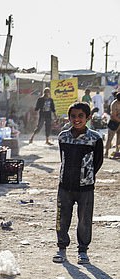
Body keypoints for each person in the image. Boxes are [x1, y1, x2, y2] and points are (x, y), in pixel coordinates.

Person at [52, 102, 103, 265]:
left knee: (84, 219)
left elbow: (98, 162)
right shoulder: (63, 136)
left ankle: (82, 250)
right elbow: (63, 159)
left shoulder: (95, 138)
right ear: (69, 118)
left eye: (81, 116)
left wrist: (86, 176)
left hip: (85, 188)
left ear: (88, 117)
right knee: (62, 218)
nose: (76, 119)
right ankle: (62, 248)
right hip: (65, 185)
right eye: (73, 116)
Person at [105, 91, 120, 158]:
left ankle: (117, 153)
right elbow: (113, 115)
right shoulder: (114, 104)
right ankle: (106, 153)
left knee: (119, 139)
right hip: (113, 123)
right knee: (110, 138)